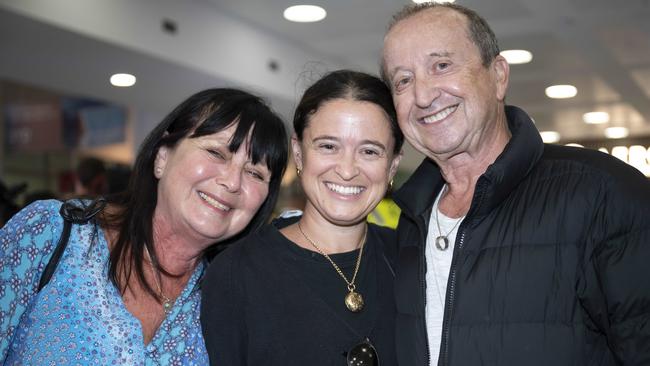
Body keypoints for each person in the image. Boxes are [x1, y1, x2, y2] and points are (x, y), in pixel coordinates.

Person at [381, 3, 650, 366]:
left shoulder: (602, 193)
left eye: (441, 66)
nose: (423, 95)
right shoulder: (411, 222)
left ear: (498, 76)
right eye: (403, 80)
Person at [0, 88, 288, 364]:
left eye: (254, 172)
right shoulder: (50, 232)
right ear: (162, 156)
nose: (233, 182)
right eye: (216, 153)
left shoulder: (226, 301)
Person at [201, 70, 404, 365]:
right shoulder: (238, 272)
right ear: (298, 153)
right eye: (328, 146)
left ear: (393, 167)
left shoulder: (410, 260)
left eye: (370, 151)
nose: (347, 170)